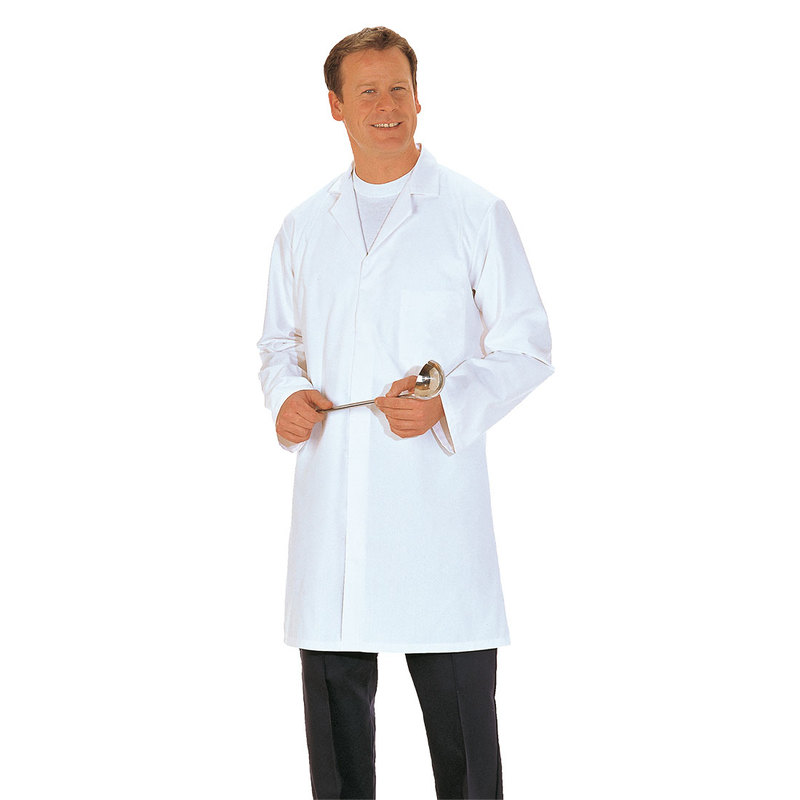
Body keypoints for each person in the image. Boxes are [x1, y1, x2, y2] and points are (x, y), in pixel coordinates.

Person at [257, 26, 553, 800]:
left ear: (420, 99)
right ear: (335, 106)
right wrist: (285, 397)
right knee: (337, 757)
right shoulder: (302, 226)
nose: (386, 106)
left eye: (399, 89)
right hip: (334, 516)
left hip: (434, 518)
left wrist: (447, 405)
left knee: (465, 756)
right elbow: (278, 345)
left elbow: (527, 346)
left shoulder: (474, 212)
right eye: (367, 91)